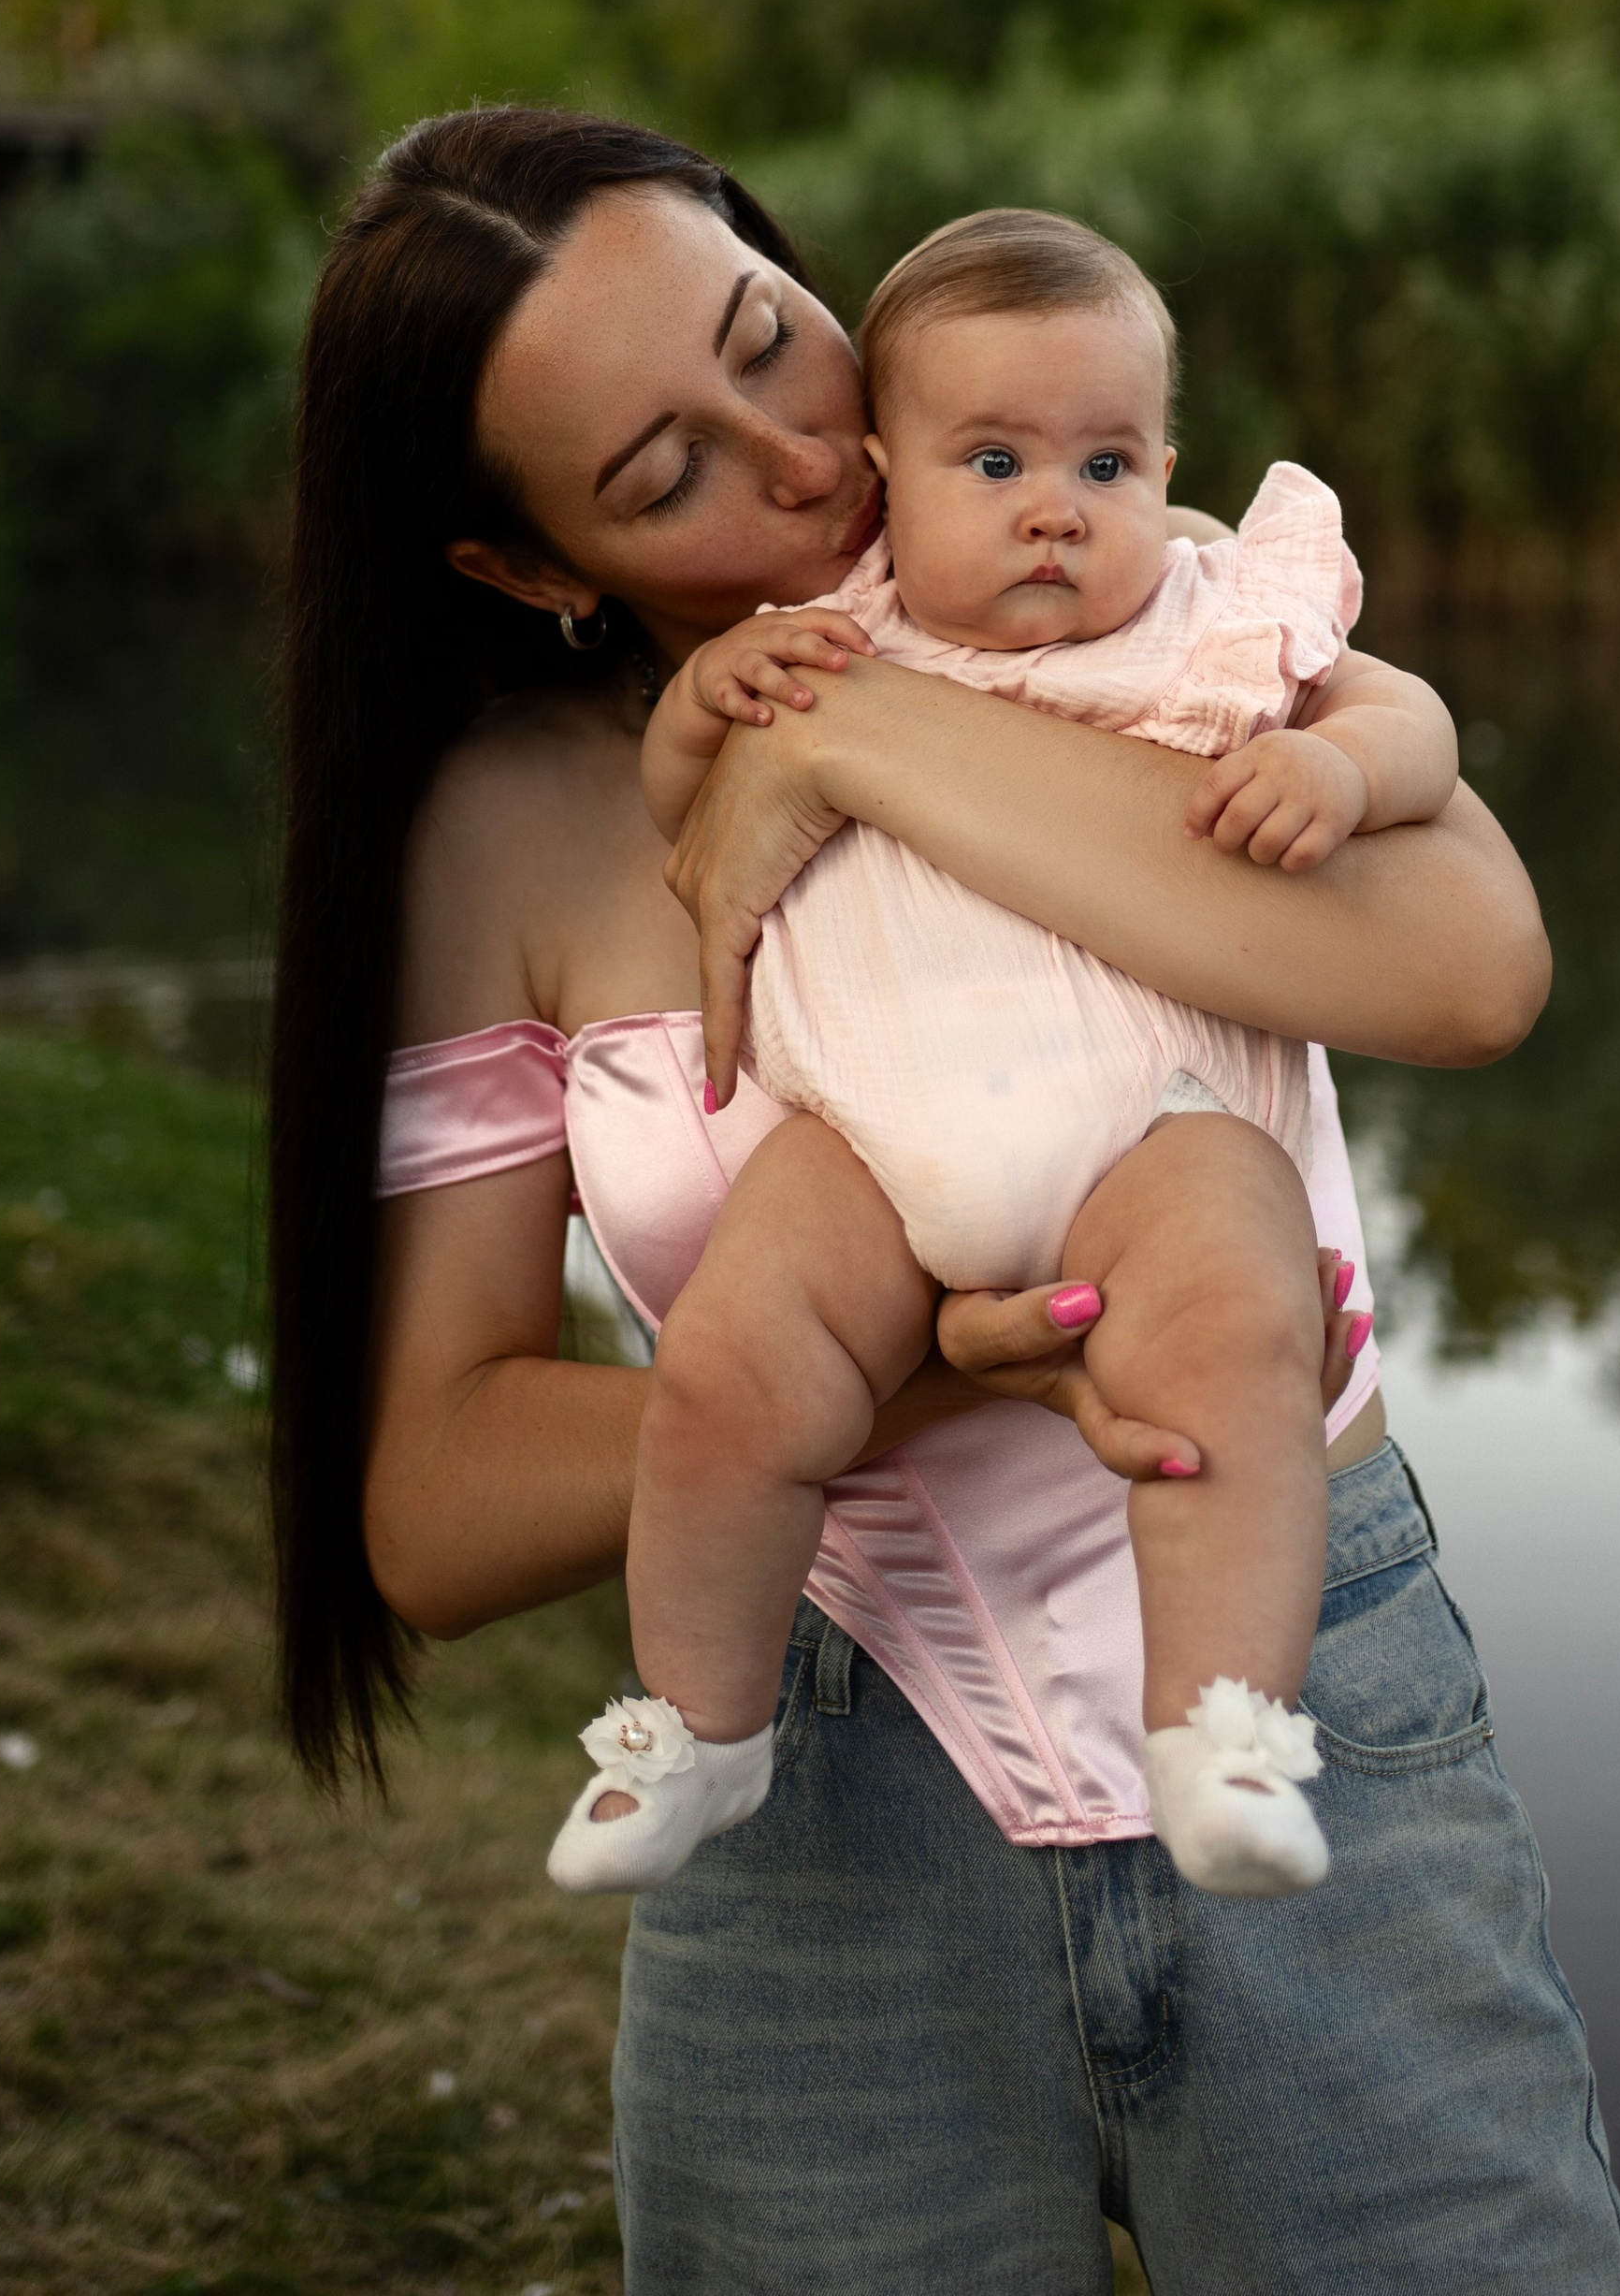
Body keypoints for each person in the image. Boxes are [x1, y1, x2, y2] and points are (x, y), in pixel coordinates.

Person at [269, 105, 1620, 2293]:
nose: (799, 463)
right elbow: (426, 1506)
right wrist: (879, 1383)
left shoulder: (1122, 584)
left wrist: (852, 751)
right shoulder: (513, 834)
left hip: (1311, 1727)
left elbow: (1471, 972)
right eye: (662, 476)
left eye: (769, 340)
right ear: (530, 569)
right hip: (816, 1795)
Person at [556, 208, 1462, 1903]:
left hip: (1161, 1128)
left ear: (1168, 466)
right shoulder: (841, 631)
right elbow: (691, 822)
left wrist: (1344, 779)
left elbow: (1409, 724)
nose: (1059, 505)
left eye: (1109, 462)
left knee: (1236, 1335)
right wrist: (711, 705)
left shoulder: (1204, 612)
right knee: (732, 1372)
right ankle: (698, 1721)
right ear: (888, 477)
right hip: (874, 1150)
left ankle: (1226, 1729)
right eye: (994, 461)